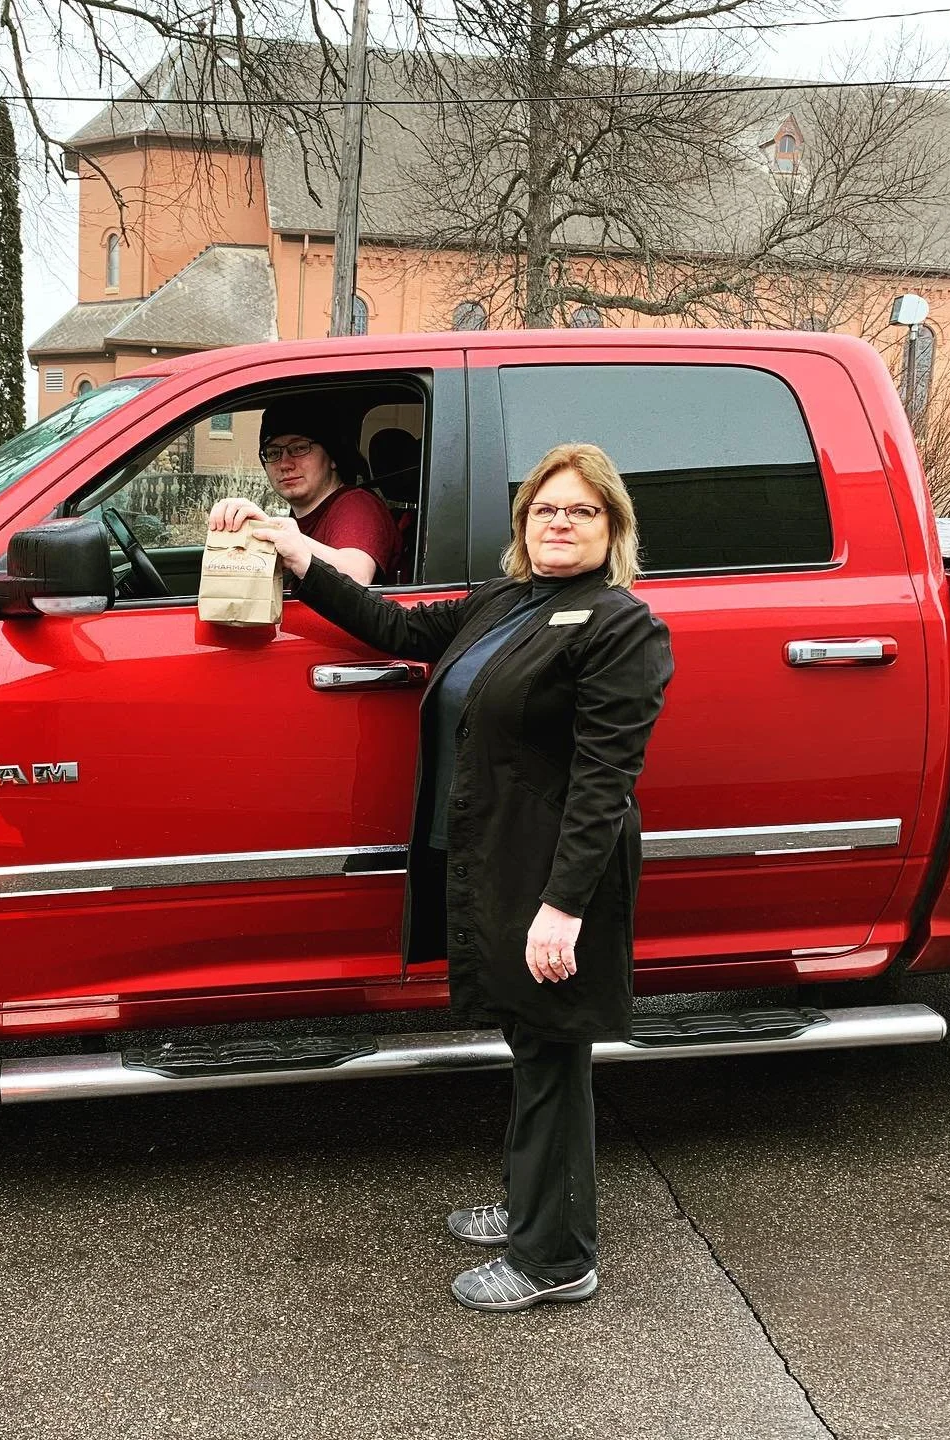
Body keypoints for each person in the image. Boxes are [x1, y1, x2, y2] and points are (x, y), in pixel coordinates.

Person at [209, 442, 673, 1314]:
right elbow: (396, 628)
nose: (559, 524)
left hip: (553, 880)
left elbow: (604, 782)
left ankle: (557, 1259)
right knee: (530, 1045)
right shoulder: (504, 602)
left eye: (580, 511)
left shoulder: (621, 627)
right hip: (500, 864)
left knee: (552, 1056)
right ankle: (533, 1207)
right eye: (544, 509)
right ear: (523, 523)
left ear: (612, 527)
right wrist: (292, 548)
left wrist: (562, 909)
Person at [219, 402, 402, 585]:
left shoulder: (356, 505)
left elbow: (356, 577)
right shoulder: (302, 516)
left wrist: (278, 534)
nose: (285, 464)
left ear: (332, 458)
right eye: (273, 453)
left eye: (299, 448)